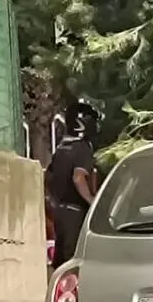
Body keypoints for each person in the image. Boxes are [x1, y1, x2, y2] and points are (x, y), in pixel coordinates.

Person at [46, 98, 102, 269]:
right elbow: (78, 177)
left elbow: (48, 178)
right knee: (74, 262)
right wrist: (92, 202)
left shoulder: (61, 149)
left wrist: (54, 200)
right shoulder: (83, 147)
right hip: (76, 213)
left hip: (60, 212)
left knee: (61, 261)